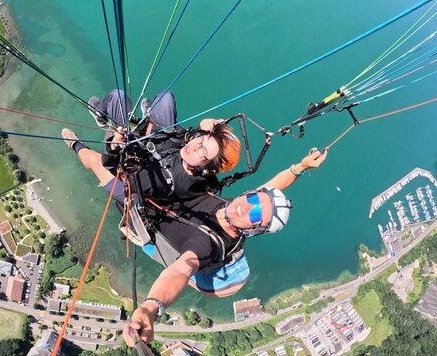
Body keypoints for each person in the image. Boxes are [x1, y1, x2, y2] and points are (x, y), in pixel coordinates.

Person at [63, 111, 328, 344]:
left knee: (96, 162)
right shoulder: (235, 207)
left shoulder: (210, 244)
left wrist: (150, 308)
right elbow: (273, 186)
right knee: (148, 144)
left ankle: (75, 146)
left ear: (254, 230)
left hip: (143, 214)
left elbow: (180, 270)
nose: (246, 207)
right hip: (169, 198)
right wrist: (300, 167)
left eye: (256, 214)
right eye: (252, 199)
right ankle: (120, 131)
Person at [83, 89, 242, 201]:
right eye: (200, 140)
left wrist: (114, 146)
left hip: (127, 146)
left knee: (117, 96)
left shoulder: (165, 181)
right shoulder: (193, 161)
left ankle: (101, 114)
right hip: (157, 140)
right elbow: (188, 139)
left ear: (207, 169)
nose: (194, 145)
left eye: (202, 150)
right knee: (165, 98)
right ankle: (151, 115)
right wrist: (201, 129)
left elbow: (114, 168)